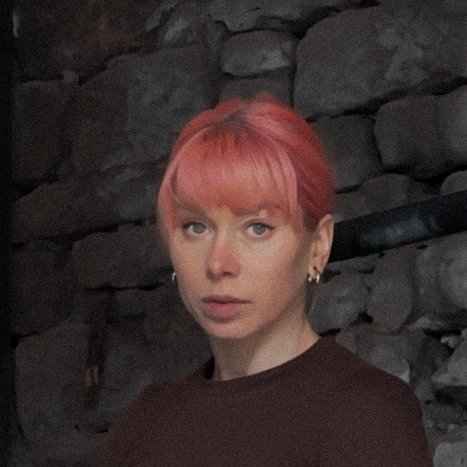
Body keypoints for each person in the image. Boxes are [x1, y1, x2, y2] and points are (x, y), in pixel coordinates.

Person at [92, 96, 432, 466]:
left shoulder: (369, 417)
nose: (218, 263)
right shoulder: (144, 424)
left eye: (257, 228)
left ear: (318, 246)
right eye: (195, 227)